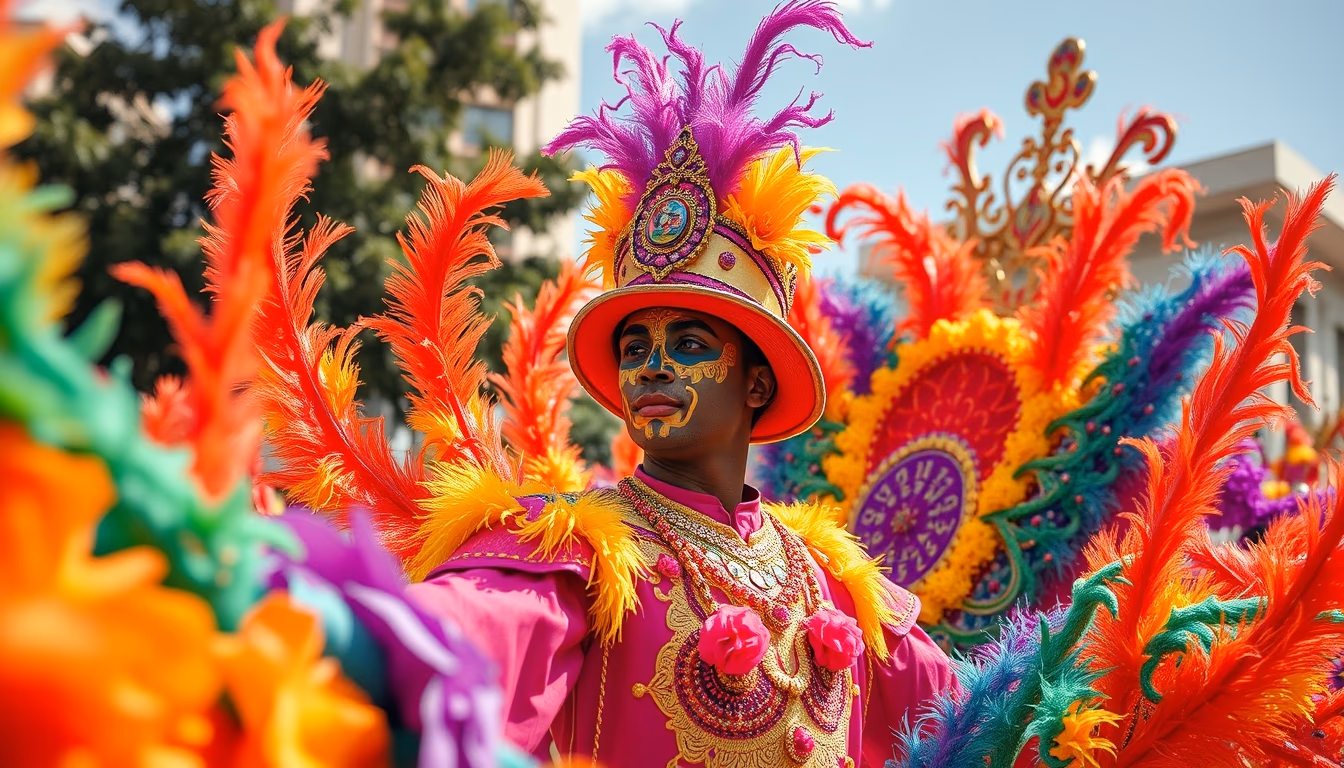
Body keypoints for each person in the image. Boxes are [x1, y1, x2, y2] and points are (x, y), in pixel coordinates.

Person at [404, 4, 956, 766]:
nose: (651, 367)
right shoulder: (585, 553)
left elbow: (984, 725)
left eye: (690, 344)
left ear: (757, 383)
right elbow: (459, 640)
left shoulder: (833, 582)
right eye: (634, 347)